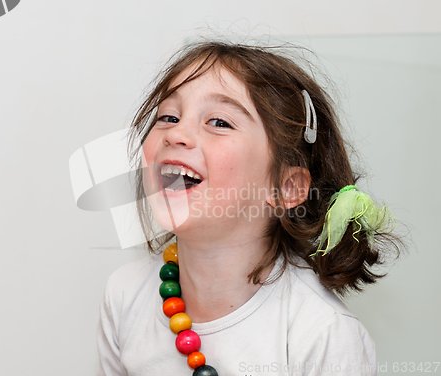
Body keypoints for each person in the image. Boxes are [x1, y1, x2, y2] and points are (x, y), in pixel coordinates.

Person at [96, 40, 402, 376]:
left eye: (219, 122)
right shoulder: (124, 295)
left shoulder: (323, 335)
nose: (177, 133)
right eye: (169, 116)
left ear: (286, 188)